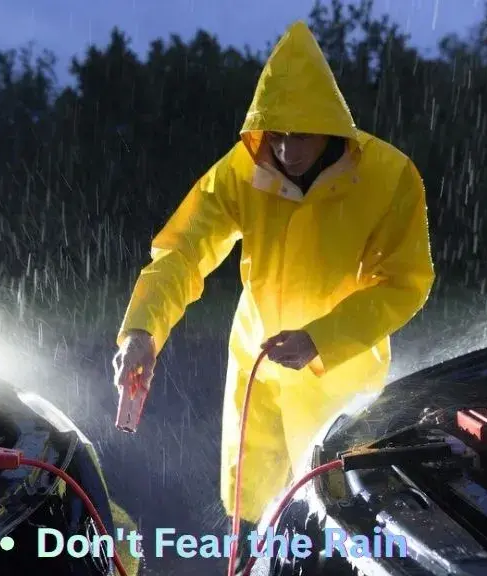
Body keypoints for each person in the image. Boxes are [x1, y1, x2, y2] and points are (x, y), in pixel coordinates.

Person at [111, 19, 435, 563]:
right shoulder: (242, 171)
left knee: (342, 533)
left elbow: (404, 283)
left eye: (300, 132)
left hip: (342, 382)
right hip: (257, 372)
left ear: (331, 125)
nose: (286, 149)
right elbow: (182, 252)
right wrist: (143, 330)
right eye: (275, 133)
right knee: (252, 518)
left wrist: (323, 338)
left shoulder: (389, 176)